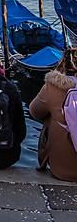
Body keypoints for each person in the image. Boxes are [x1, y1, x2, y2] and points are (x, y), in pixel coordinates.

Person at [29, 48, 77, 182]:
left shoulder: (54, 86)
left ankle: (46, 160)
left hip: (65, 170)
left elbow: (34, 111)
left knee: (50, 116)